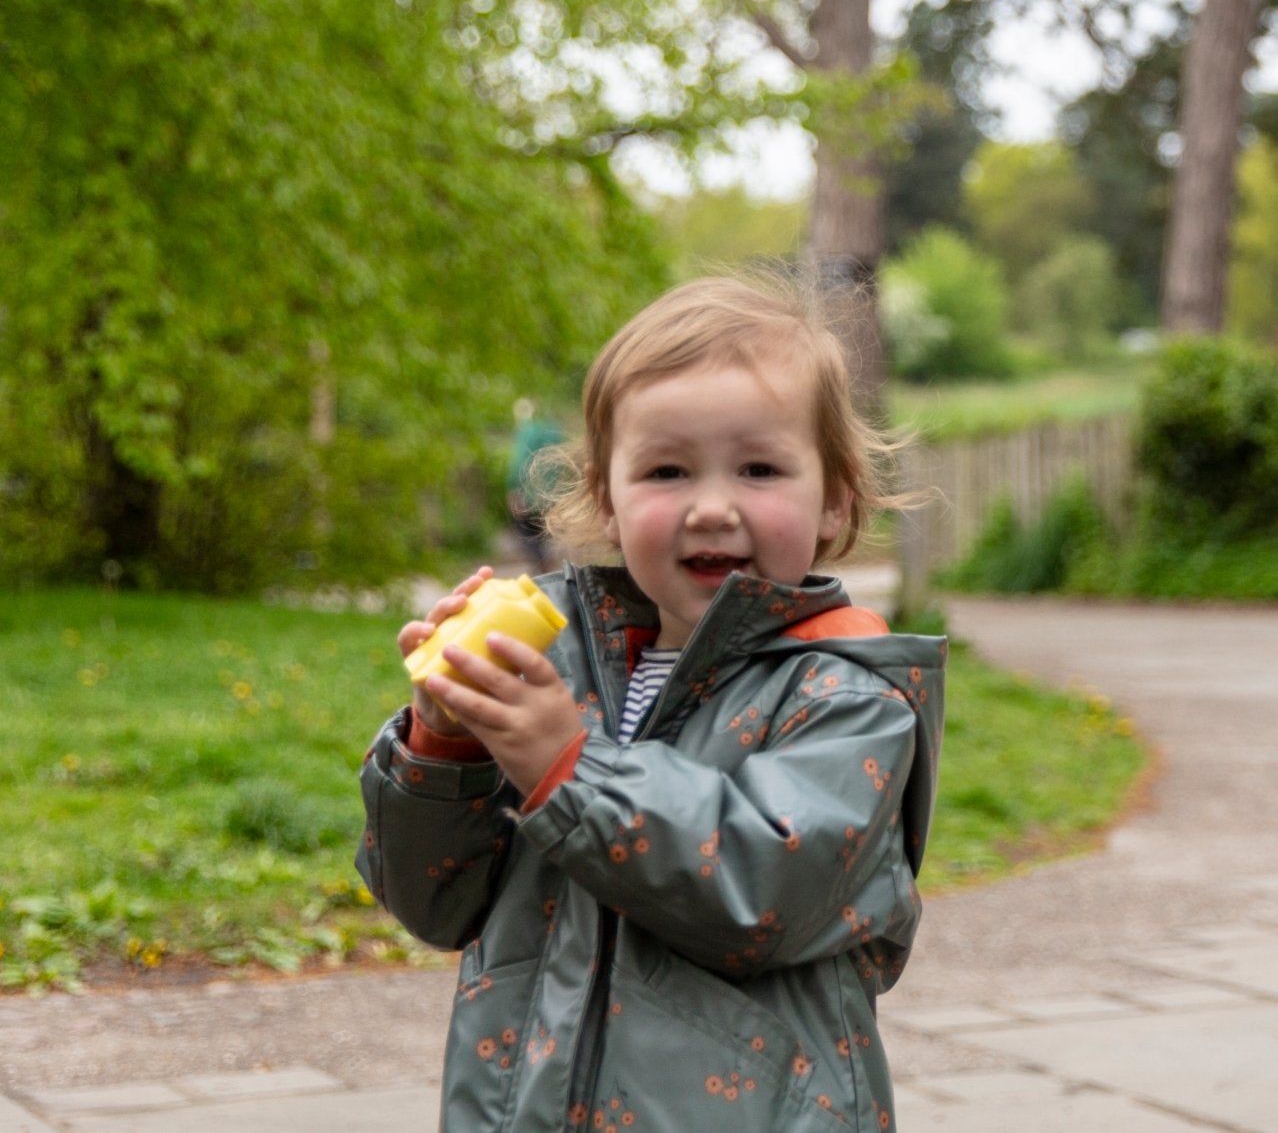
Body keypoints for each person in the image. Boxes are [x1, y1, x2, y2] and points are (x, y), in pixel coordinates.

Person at [357, 275, 944, 1132]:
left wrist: (569, 766)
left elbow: (762, 892)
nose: (712, 506)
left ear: (834, 500)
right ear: (607, 498)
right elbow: (433, 903)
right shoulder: (556, 669)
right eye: (667, 470)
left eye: (759, 468)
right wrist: (445, 749)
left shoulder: (847, 691)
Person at [503, 401, 565, 574]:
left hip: (529, 494)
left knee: (527, 535)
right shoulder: (554, 431)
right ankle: (547, 567)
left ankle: (542, 569)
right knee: (544, 533)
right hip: (550, 495)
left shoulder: (527, 432)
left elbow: (518, 464)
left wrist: (513, 490)